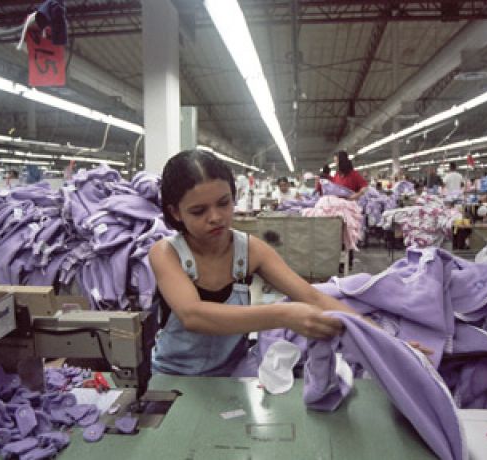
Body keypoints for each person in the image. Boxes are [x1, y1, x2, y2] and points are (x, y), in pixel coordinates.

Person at [149, 150, 356, 376]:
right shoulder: (166, 253)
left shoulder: (250, 250)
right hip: (172, 378)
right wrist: (284, 315)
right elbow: (193, 316)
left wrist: (368, 329)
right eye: (199, 211)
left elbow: (311, 296)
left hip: (234, 376)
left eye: (224, 203)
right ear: (176, 212)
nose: (215, 217)